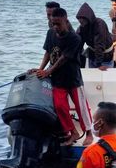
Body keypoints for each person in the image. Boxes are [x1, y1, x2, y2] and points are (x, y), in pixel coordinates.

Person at [29, 8, 93, 146]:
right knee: (60, 106)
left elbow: (63, 59)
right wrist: (40, 69)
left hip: (72, 78)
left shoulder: (74, 38)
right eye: (53, 24)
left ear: (66, 21)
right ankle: (72, 132)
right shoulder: (50, 33)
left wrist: (48, 71)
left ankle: (89, 133)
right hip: (57, 79)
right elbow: (48, 52)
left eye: (58, 24)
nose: (56, 27)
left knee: (81, 106)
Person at [76, 2, 113, 70]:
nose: (81, 22)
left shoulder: (99, 24)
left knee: (105, 78)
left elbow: (99, 44)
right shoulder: (82, 27)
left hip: (105, 58)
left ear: (88, 18)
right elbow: (77, 43)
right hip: (92, 55)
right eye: (79, 20)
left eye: (83, 19)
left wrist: (99, 64)